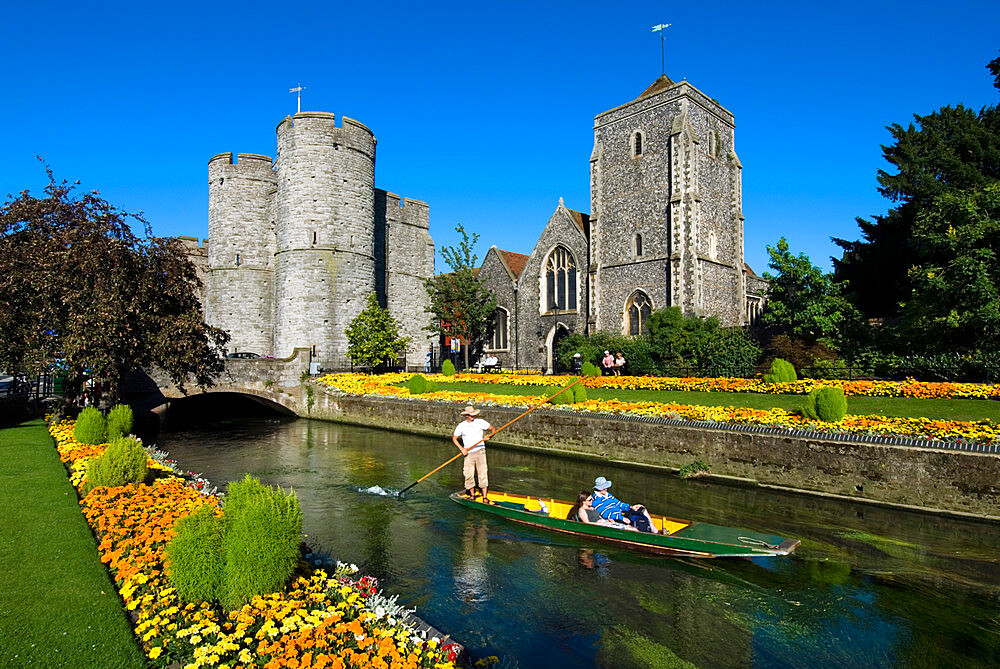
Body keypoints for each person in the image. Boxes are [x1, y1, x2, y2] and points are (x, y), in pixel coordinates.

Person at [452, 405, 496, 502]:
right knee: (468, 474)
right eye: (471, 415)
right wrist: (462, 449)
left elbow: (493, 429)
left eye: (474, 415)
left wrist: (489, 436)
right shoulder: (461, 426)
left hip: (480, 450)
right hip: (468, 453)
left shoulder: (480, 422)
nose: (473, 417)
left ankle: (484, 497)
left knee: (483, 473)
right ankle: (472, 495)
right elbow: (454, 438)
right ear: (467, 415)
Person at [590, 476, 659, 533]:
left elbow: (619, 504)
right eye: (604, 488)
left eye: (606, 487)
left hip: (621, 516)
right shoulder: (596, 500)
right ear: (598, 488)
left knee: (641, 508)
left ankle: (655, 531)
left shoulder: (608, 495)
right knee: (634, 520)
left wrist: (631, 507)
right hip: (616, 519)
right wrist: (622, 518)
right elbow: (605, 514)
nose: (606, 489)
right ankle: (644, 534)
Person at [566, 490, 638, 531]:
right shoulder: (582, 510)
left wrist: (610, 520)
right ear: (584, 501)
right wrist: (599, 524)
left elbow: (600, 516)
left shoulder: (592, 507)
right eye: (590, 500)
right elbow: (587, 523)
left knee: (631, 527)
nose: (592, 501)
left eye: (592, 499)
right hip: (600, 525)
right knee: (630, 529)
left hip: (604, 522)